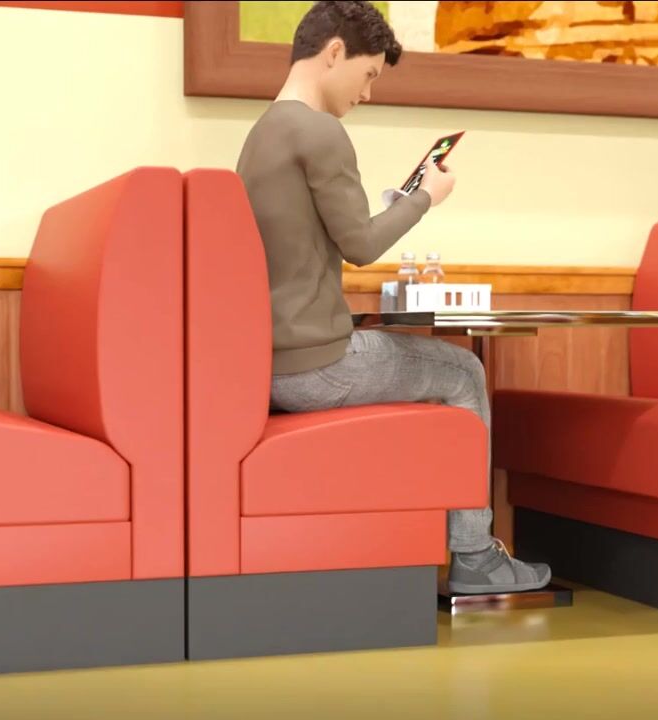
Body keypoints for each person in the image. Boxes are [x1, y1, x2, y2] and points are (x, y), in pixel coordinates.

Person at [235, 1, 551, 594]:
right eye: (369, 74)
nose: (367, 93)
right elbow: (361, 245)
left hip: (268, 363)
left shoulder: (261, 135)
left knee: (442, 367)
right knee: (464, 371)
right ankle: (476, 556)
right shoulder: (320, 131)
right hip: (316, 368)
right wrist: (426, 197)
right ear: (335, 53)